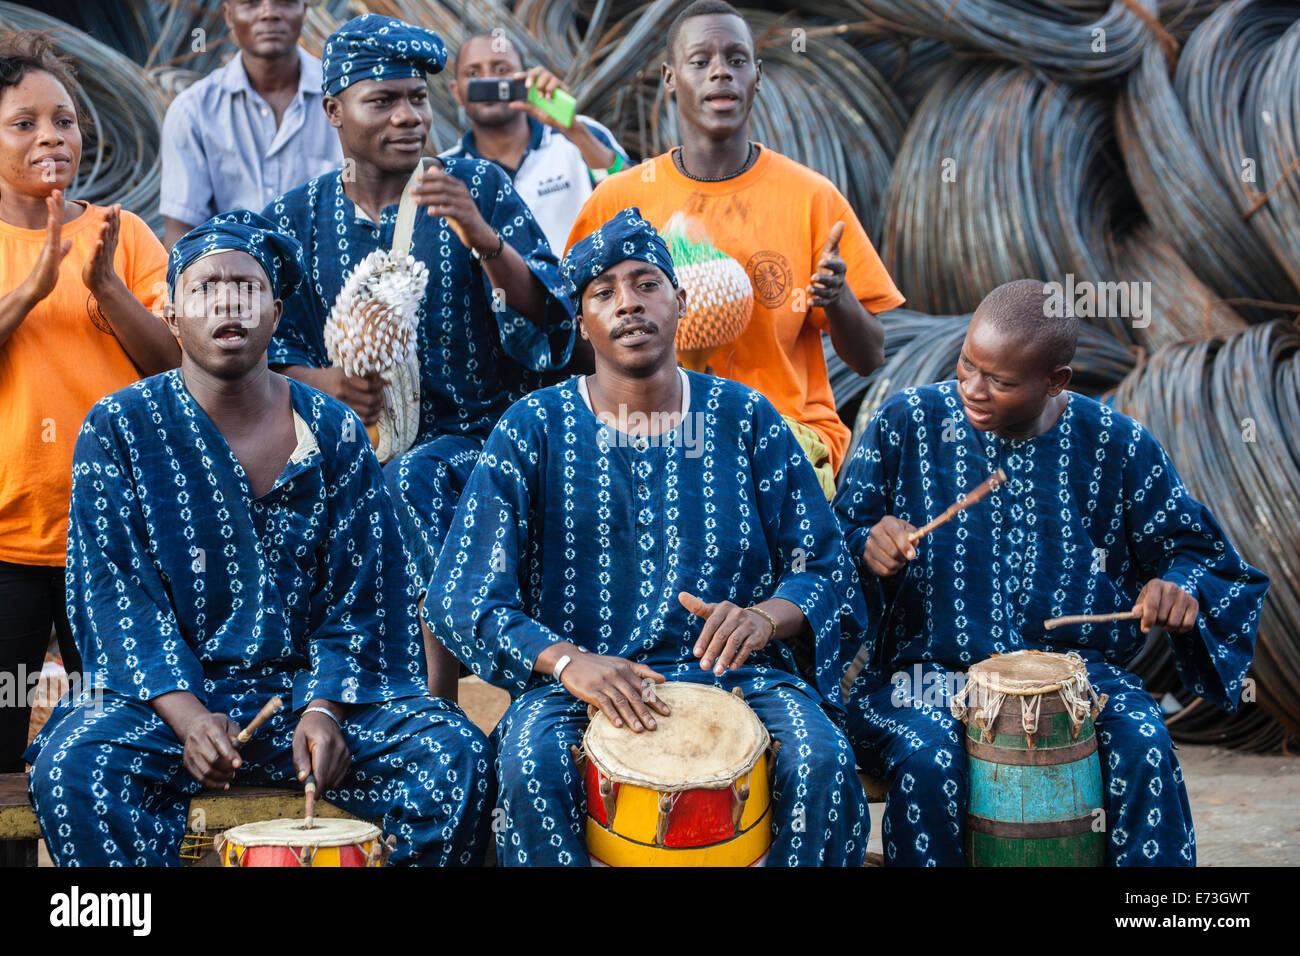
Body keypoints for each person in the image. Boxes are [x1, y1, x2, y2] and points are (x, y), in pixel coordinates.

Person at [25, 212, 495, 867]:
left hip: (321, 703)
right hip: (169, 708)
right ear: (170, 313)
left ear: (275, 313)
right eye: (206, 288)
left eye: (247, 290)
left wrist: (327, 711)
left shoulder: (332, 432)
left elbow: (363, 595)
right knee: (74, 764)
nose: (228, 303)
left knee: (454, 753)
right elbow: (114, 596)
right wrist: (189, 719)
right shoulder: (120, 428)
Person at [428, 209, 870, 866]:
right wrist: (568, 661)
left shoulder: (745, 416)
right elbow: (463, 596)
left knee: (821, 761)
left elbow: (827, 565)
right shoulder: (533, 427)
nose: (627, 303)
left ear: (680, 300)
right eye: (602, 293)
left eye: (645, 283)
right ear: (582, 323)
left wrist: (763, 619)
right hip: (577, 687)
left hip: (738, 676)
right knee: (527, 764)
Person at [833, 279, 1269, 866]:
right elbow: (833, 542)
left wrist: (1179, 589)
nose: (972, 390)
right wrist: (869, 544)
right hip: (925, 676)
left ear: (1055, 382)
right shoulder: (907, 422)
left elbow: (1200, 554)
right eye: (967, 365)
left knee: (1142, 741)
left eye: (1001, 382)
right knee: (928, 759)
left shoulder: (1115, 443)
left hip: (1079, 679)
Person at [264, 15, 574, 696]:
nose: (407, 117)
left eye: (417, 98)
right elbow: (258, 348)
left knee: (413, 479)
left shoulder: (474, 188)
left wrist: (483, 236)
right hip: (354, 452)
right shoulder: (294, 220)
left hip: (480, 445)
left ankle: (432, 700)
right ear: (333, 111)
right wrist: (320, 382)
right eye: (383, 101)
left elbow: (551, 324)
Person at [567, 0, 902, 498]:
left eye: (737, 59)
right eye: (700, 61)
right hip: (651, 434)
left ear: (757, 75)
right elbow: (574, 338)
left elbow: (871, 357)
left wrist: (839, 299)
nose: (721, 72)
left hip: (784, 435)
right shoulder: (620, 200)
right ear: (670, 77)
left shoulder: (811, 197)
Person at [0, 30, 178, 776]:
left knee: (115, 744)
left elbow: (175, 366)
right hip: (6, 543)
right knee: (0, 754)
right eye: (24, 122)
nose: (51, 136)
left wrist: (105, 286)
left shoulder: (125, 235)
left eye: (64, 120)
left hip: (110, 539)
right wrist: (31, 291)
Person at [160, 0, 343, 249]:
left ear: (304, 8)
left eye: (285, 2)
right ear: (229, 15)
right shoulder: (193, 112)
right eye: (251, 3)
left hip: (335, 279)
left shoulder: (346, 100)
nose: (269, 13)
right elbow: (182, 235)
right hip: (234, 280)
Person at [442, 31, 629, 257]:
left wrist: (574, 131)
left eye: (502, 70)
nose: (489, 80)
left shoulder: (580, 133)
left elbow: (634, 195)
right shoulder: (447, 170)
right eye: (473, 73)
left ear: (525, 79)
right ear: (456, 92)